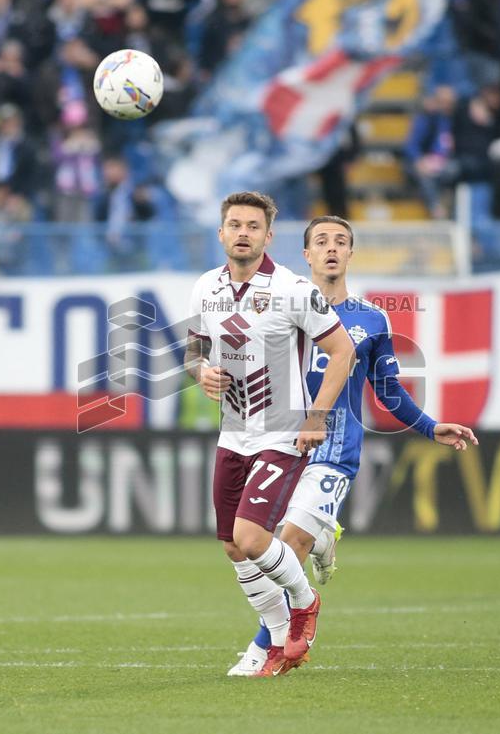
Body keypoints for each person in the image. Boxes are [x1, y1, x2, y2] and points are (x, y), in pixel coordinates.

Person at [229, 216, 479, 676]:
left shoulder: (372, 319)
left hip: (335, 446)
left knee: (291, 542)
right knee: (249, 548)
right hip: (281, 442)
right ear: (305, 255)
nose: (331, 248)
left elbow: (388, 391)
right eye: (321, 241)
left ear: (350, 254)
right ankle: (326, 536)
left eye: (340, 242)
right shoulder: (279, 308)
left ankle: (267, 646)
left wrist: (430, 426)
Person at [185, 192, 356, 678]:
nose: (243, 233)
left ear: (267, 236)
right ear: (221, 233)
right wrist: (200, 372)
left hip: (282, 432)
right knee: (232, 547)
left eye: (252, 226)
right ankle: (279, 641)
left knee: (252, 536)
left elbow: (342, 352)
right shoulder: (203, 288)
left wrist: (316, 415)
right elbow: (193, 351)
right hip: (233, 434)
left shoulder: (295, 289)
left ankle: (305, 602)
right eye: (234, 225)